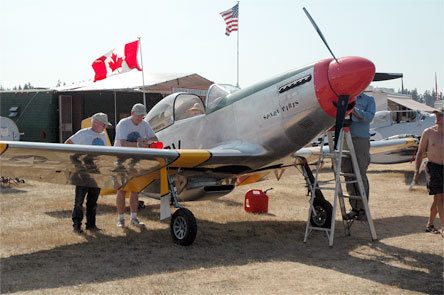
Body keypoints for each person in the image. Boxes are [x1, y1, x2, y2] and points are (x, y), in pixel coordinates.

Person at [65, 112, 112, 234]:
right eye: (104, 125)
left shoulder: (102, 135)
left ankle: (91, 225)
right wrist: (77, 163)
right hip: (82, 172)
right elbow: (67, 144)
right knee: (79, 201)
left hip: (96, 172)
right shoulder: (83, 133)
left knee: (92, 200)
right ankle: (77, 225)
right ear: (96, 123)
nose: (105, 128)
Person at [114, 103, 158, 227]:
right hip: (121, 159)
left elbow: (155, 138)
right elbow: (122, 143)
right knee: (121, 190)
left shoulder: (145, 124)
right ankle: (121, 219)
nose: (140, 118)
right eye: (138, 115)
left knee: (135, 190)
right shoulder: (123, 124)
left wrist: (147, 141)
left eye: (142, 116)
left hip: (136, 160)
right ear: (132, 113)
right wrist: (139, 144)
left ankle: (134, 218)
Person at [342, 92, 376, 220]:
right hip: (345, 138)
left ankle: (363, 210)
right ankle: (354, 208)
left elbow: (369, 117)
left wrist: (353, 110)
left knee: (360, 174)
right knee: (348, 174)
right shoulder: (344, 97)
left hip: (360, 139)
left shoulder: (369, 100)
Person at [414, 107, 444, 235]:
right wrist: (417, 171)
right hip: (433, 167)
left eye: (440, 115)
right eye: (436, 114)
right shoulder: (428, 132)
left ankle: (430, 225)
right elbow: (420, 153)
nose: (436, 117)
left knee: (438, 199)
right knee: (441, 198)